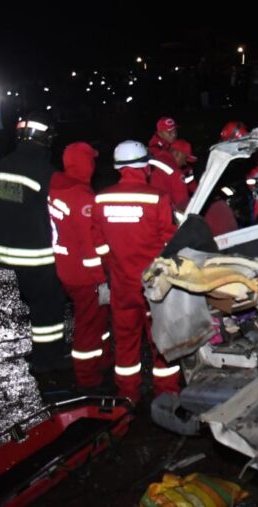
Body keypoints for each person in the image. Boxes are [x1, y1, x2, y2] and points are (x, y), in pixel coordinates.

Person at [92, 140, 180, 403]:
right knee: (162, 343)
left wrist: (114, 267)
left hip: (122, 286)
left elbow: (99, 244)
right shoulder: (157, 198)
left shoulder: (101, 199)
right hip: (155, 288)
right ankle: (167, 394)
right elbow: (170, 243)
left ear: (119, 167)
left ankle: (127, 396)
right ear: (145, 166)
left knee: (126, 344)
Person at [0, 111, 68, 375]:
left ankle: (44, 352)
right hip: (38, 253)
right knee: (49, 308)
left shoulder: (4, 164)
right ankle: (48, 359)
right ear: (43, 138)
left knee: (36, 303)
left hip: (12, 251)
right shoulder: (43, 170)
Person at [47, 142, 111, 391]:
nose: (94, 165)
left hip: (65, 267)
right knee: (87, 326)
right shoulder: (81, 196)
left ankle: (103, 359)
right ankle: (87, 377)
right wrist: (101, 278)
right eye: (91, 160)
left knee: (97, 320)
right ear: (84, 163)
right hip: (84, 275)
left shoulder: (56, 188)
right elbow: (89, 244)